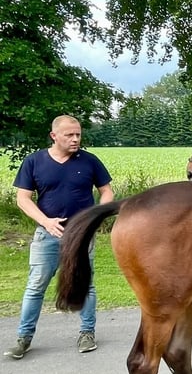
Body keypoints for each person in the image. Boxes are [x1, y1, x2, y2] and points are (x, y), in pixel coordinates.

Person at [4, 115, 114, 359]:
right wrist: (45, 222)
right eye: (69, 135)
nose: (76, 139)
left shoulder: (89, 161)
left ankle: (87, 333)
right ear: (54, 136)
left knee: (85, 284)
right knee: (35, 286)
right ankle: (24, 338)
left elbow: (107, 192)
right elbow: (23, 199)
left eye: (78, 134)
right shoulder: (34, 162)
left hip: (81, 234)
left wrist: (95, 217)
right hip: (47, 234)